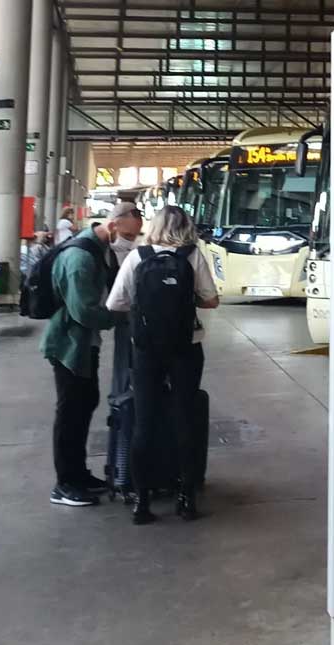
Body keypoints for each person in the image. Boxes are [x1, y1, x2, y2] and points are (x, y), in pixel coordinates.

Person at [106, 205, 219, 524]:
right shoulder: (191, 255)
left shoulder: (138, 257)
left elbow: (115, 302)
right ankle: (186, 499)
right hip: (186, 348)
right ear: (186, 226)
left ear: (154, 226)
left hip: (145, 350)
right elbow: (211, 300)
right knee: (185, 419)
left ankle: (142, 503)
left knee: (144, 421)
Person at [42, 202, 143, 507]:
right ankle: (64, 484)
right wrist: (118, 316)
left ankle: (78, 474)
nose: (128, 242)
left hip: (83, 344)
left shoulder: (97, 251)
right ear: (113, 225)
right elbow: (83, 310)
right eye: (127, 235)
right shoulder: (80, 257)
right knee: (70, 412)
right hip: (68, 346)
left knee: (85, 405)